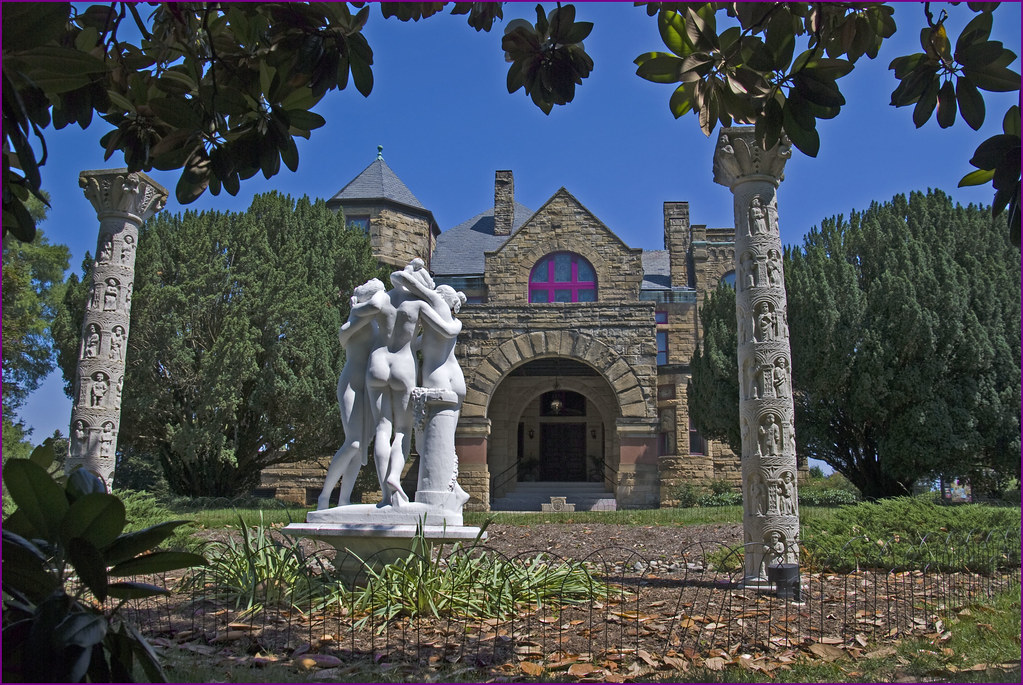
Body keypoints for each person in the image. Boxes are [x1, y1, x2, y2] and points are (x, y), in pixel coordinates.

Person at [364, 259, 436, 506]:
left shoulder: (382, 298)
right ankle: (395, 481)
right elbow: (439, 335)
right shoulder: (418, 304)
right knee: (403, 430)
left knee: (382, 428)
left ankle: (385, 495)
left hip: (377, 361)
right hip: (403, 363)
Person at [316, 278, 386, 510]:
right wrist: (358, 310)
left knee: (361, 447)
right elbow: (344, 335)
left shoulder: (376, 322)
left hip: (369, 386)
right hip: (351, 384)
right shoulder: (356, 317)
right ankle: (324, 497)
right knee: (354, 443)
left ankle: (344, 499)